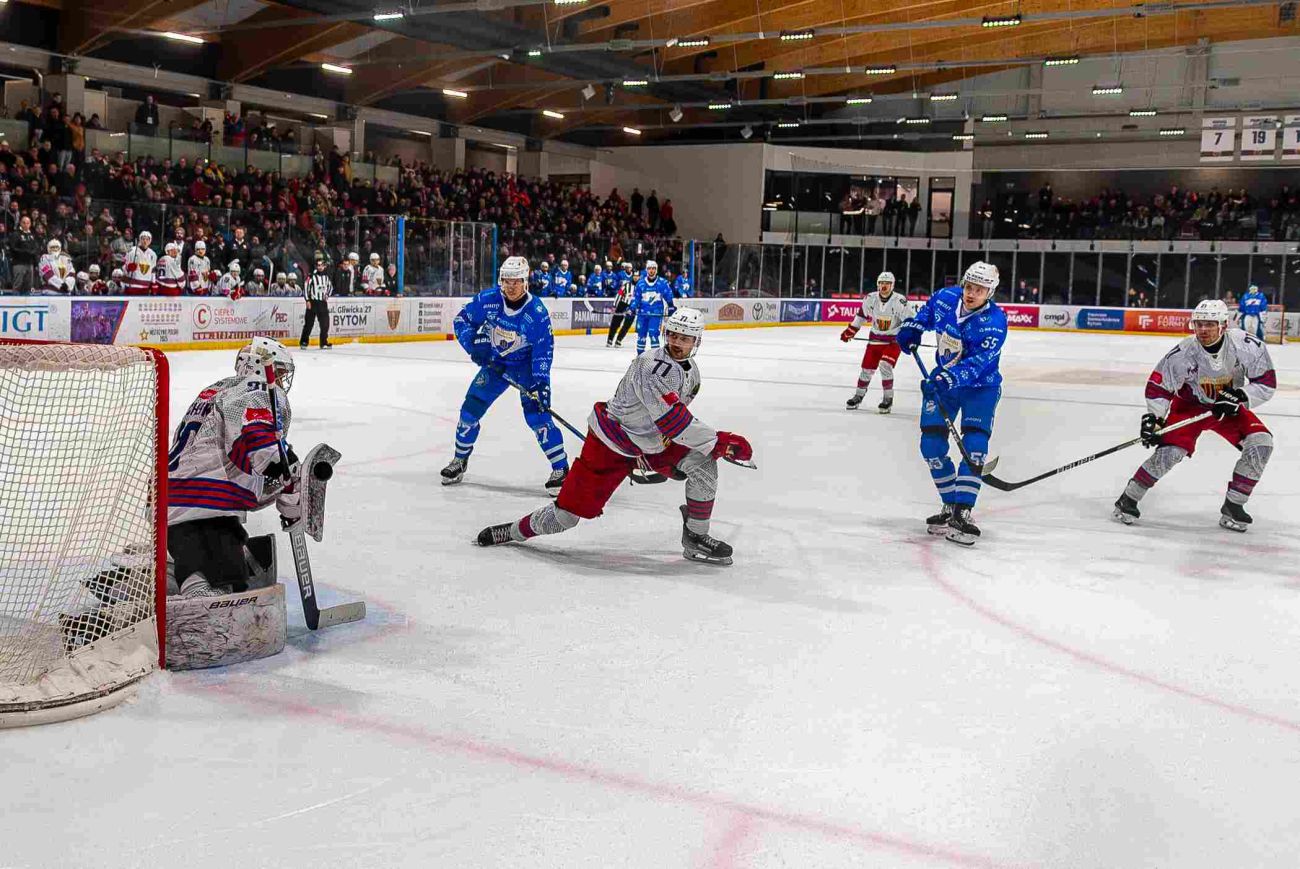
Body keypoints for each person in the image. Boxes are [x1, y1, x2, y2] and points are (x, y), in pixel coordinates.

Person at [475, 308, 751, 565]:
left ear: (696, 341)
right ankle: (512, 531)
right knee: (565, 517)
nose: (677, 342)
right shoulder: (651, 366)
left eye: (685, 338)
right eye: (673, 335)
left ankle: (696, 536)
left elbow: (670, 422)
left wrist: (658, 450)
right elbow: (673, 421)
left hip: (649, 442)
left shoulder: (691, 372)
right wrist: (719, 441)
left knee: (703, 465)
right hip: (610, 443)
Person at [1113, 299, 1275, 532]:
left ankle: (1234, 505)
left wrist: (1241, 396)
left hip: (1228, 408)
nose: (1203, 330)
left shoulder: (1246, 346)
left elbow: (1266, 382)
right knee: (1171, 452)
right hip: (1189, 406)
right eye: (1199, 324)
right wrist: (1155, 419)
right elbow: (1159, 386)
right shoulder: (1183, 352)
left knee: (1261, 443)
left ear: (1223, 325)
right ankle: (1129, 498)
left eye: (1210, 324)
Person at [166, 337, 300, 597]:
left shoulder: (217, 389)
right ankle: (197, 589)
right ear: (261, 366)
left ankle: (170, 573)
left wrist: (281, 483)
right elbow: (256, 437)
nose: (282, 380)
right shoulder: (258, 389)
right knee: (226, 580)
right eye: (281, 372)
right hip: (202, 500)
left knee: (216, 554)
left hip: (172, 492)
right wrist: (286, 468)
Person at [895, 261, 1007, 546]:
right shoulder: (946, 297)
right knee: (931, 445)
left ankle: (963, 511)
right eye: (969, 286)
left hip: (980, 388)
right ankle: (950, 505)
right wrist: (912, 327)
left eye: (979, 290)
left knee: (974, 447)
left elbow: (978, 364)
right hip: (943, 382)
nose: (971, 293)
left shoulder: (994, 322)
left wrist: (947, 379)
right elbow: (926, 314)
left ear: (990, 292)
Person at [440, 256, 569, 495]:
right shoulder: (488, 300)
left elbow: (543, 350)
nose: (511, 286)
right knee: (469, 410)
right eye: (506, 281)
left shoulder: (537, 312)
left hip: (525, 368)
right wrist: (473, 345)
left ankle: (561, 468)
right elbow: (461, 320)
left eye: (516, 281)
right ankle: (459, 460)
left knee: (538, 417)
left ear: (525, 281)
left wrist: (541, 383)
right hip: (495, 364)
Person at [841, 270, 912, 413]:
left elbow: (910, 321)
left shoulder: (899, 301)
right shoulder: (870, 298)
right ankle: (858, 395)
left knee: (885, 365)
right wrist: (851, 330)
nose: (884, 286)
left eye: (887, 283)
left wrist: (909, 337)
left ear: (892, 285)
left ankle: (888, 398)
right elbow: (861, 316)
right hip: (875, 340)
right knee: (866, 369)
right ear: (877, 284)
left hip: (893, 341)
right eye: (881, 283)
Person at [631, 259, 673, 354]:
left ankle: (655, 357)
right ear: (646, 270)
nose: (651, 271)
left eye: (653, 268)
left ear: (656, 270)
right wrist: (631, 308)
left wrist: (671, 306)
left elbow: (668, 296)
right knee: (641, 336)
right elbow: (636, 299)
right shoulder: (640, 283)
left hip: (656, 314)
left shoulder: (662, 282)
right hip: (642, 314)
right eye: (649, 268)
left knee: (654, 335)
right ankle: (640, 357)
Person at [300, 256, 333, 349]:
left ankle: (323, 343)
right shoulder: (311, 277)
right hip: (313, 302)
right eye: (318, 265)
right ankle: (304, 342)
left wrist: (327, 295)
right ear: (316, 266)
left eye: (322, 265)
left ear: (324, 266)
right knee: (309, 324)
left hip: (322, 303)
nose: (320, 267)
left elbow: (330, 287)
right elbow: (306, 288)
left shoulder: (326, 277)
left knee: (325, 324)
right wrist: (307, 300)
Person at [9, 215, 40, 292]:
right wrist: (26, 252)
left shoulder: (32, 235)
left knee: (29, 287)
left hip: (30, 264)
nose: (26, 225)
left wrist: (36, 262)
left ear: (30, 224)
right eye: (24, 223)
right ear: (20, 223)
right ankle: (15, 300)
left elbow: (36, 247)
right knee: (18, 285)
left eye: (28, 223)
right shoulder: (16, 234)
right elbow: (13, 248)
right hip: (19, 263)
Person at [123, 230, 156, 295]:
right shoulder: (132, 251)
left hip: (146, 286)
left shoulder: (153, 254)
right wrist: (128, 268)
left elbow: (153, 271)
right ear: (140, 240)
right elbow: (124, 266)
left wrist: (153, 284)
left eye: (147, 239)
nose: (145, 241)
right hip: (132, 286)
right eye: (143, 239)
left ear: (150, 241)